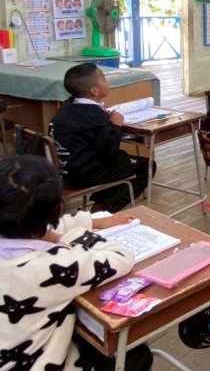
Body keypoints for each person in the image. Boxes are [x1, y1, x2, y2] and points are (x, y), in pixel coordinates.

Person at [0, 155, 152, 371]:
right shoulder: (51, 267)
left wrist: (93, 221)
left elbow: (45, 224)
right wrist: (70, 235)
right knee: (136, 355)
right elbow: (120, 257)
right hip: (41, 364)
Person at [50, 63, 151, 212]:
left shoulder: (66, 107)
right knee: (146, 166)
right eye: (104, 79)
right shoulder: (94, 116)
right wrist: (116, 125)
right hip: (86, 174)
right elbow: (110, 149)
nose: (107, 82)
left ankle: (101, 201)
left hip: (66, 171)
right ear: (94, 90)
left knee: (125, 161)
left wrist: (104, 121)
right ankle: (102, 209)